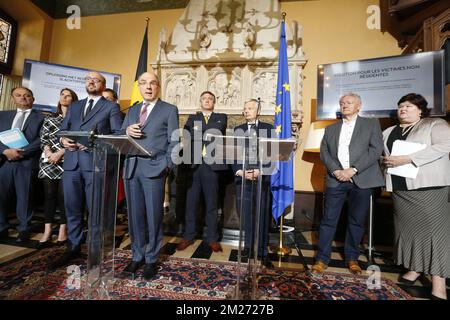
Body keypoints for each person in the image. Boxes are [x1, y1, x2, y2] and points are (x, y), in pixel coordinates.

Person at [49, 72, 123, 270]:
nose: (91, 82)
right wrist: (63, 140)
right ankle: (73, 247)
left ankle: (94, 251)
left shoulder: (111, 107)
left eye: (96, 80)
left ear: (103, 84)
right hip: (71, 164)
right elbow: (62, 131)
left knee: (95, 210)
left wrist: (92, 144)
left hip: (95, 164)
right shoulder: (75, 106)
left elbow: (116, 136)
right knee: (72, 208)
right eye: (88, 80)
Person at [381, 93, 450, 300]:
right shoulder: (388, 131)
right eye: (401, 106)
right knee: (408, 231)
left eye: (409, 106)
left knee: (435, 235)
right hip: (400, 189)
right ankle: (415, 268)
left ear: (421, 110)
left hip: (429, 187)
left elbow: (446, 146)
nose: (403, 109)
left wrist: (407, 158)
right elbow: (383, 156)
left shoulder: (434, 124)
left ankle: (439, 282)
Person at [311, 93, 385, 275]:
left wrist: (353, 170)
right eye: (342, 103)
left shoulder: (371, 124)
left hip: (362, 179)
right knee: (328, 220)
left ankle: (352, 258)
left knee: (356, 221)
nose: (344, 105)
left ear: (359, 106)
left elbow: (376, 150)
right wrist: (336, 171)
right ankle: (321, 259)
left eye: (349, 103)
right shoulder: (331, 129)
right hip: (336, 180)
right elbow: (324, 152)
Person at [121, 72, 179, 280]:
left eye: (152, 83)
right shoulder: (133, 109)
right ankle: (137, 255)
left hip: (154, 168)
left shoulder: (169, 110)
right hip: (131, 168)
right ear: (140, 87)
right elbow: (120, 134)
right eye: (143, 83)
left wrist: (166, 165)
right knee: (135, 216)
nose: (148, 87)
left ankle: (152, 259)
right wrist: (126, 129)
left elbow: (175, 141)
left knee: (153, 216)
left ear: (158, 87)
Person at [176, 91, 227, 252]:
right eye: (204, 98)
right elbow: (186, 135)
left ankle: (212, 238)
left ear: (214, 102)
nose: (207, 101)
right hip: (193, 166)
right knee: (191, 203)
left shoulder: (221, 117)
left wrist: (197, 134)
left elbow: (216, 132)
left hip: (211, 166)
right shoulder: (192, 118)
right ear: (200, 101)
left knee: (212, 204)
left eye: (210, 99)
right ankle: (188, 236)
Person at [232, 99, 273, 268]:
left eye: (250, 108)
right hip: (243, 179)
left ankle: (262, 251)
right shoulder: (238, 130)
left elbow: (273, 154)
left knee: (262, 216)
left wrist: (261, 171)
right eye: (244, 108)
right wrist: (240, 172)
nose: (246, 111)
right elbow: (232, 153)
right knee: (246, 216)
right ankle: (248, 248)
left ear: (258, 111)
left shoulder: (268, 129)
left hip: (262, 179)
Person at [0, 87, 45, 242]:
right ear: (13, 98)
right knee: (1, 196)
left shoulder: (42, 117)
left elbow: (41, 140)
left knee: (25, 197)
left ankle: (24, 228)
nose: (23, 98)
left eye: (27, 95)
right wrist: (5, 151)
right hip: (4, 161)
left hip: (26, 161)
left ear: (32, 98)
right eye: (18, 95)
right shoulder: (3, 115)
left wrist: (21, 152)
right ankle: (2, 227)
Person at [37, 88, 78, 248]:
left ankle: (63, 230)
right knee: (49, 195)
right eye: (62, 95)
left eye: (68, 95)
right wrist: (48, 152)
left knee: (63, 197)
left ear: (73, 100)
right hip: (49, 161)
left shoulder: (76, 119)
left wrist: (60, 153)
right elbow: (44, 137)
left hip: (66, 160)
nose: (64, 97)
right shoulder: (50, 118)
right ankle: (47, 231)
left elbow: (75, 139)